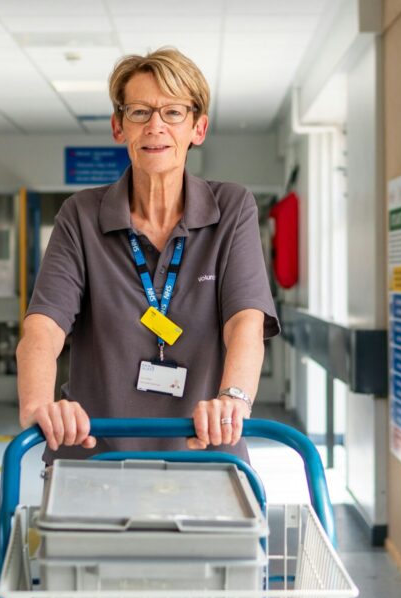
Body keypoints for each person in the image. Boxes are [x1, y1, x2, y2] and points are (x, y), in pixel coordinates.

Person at [16, 47, 279, 463]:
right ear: (119, 127)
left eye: (173, 112)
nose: (155, 125)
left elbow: (245, 322)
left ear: (199, 128)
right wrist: (38, 404)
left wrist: (233, 398)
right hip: (94, 454)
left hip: (204, 451)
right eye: (139, 112)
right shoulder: (81, 216)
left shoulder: (231, 208)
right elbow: (43, 329)